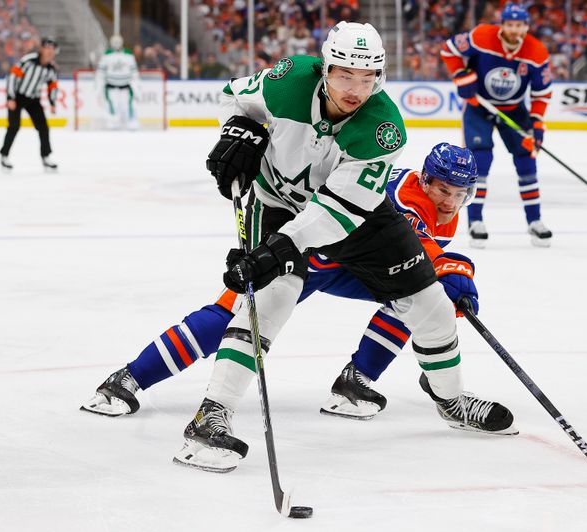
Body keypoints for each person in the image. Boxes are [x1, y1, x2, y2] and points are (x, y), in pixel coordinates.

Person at [89, 21, 517, 473]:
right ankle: (210, 417)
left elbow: (336, 211)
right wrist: (240, 127)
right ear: (325, 69)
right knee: (267, 301)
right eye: (345, 75)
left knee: (428, 304)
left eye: (368, 77)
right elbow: (234, 95)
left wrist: (279, 249)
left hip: (353, 217)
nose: (356, 88)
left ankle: (450, 401)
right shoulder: (287, 80)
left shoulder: (383, 128)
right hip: (275, 202)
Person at [82, 143, 510, 427]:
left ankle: (355, 381)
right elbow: (415, 252)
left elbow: (412, 265)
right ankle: (128, 379)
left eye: (460, 192)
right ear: (424, 179)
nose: (451, 200)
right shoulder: (409, 197)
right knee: (228, 319)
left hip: (348, 261)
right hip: (303, 251)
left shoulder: (444, 208)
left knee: (406, 297)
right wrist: (455, 270)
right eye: (443, 189)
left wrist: (448, 272)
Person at [441, 3, 553, 247]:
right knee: (480, 161)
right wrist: (460, 74)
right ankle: (476, 221)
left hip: (514, 110)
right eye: (511, 24)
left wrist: (536, 122)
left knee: (526, 161)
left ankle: (535, 221)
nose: (515, 30)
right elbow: (449, 50)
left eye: (520, 25)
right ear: (502, 25)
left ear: (526, 27)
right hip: (479, 107)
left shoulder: (536, 51)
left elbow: (541, 93)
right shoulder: (482, 35)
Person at [0, 37, 59, 172]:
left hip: (33, 100)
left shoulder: (51, 68)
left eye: (52, 49)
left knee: (43, 127)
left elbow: (52, 85)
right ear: (42, 49)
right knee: (14, 126)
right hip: (18, 96)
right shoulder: (29, 61)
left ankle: (46, 156)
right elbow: (12, 76)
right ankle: (4, 155)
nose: (50, 52)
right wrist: (10, 97)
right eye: (47, 48)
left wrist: (52, 102)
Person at [96, 34, 140, 130]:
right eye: (115, 42)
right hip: (111, 87)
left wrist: (136, 85)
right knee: (112, 104)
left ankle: (130, 121)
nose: (116, 44)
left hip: (126, 87)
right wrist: (98, 86)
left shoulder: (128, 54)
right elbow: (100, 72)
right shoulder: (107, 54)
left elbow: (134, 71)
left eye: (118, 42)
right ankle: (113, 121)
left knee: (127, 104)